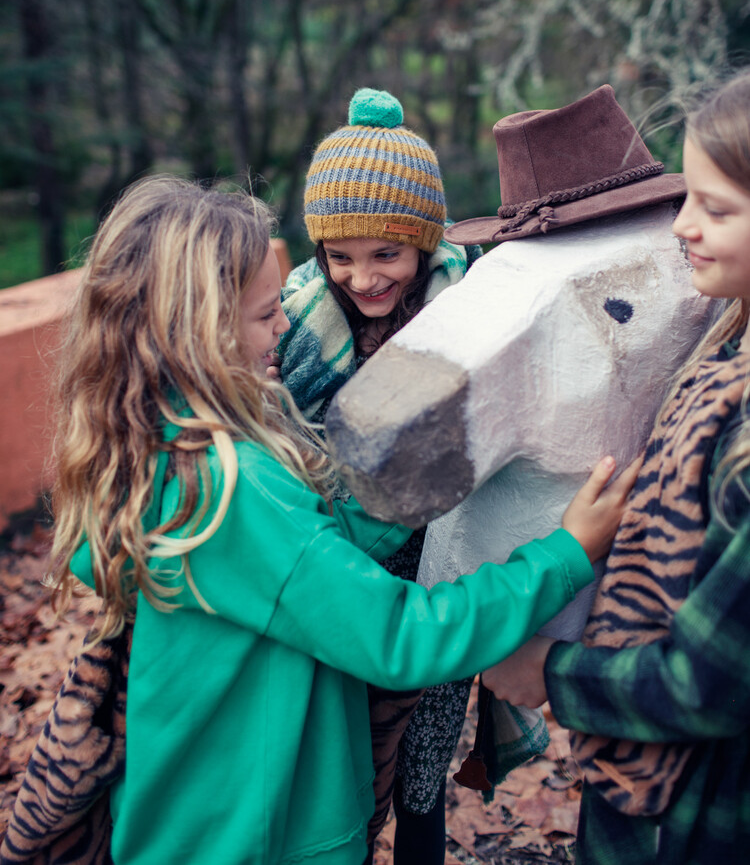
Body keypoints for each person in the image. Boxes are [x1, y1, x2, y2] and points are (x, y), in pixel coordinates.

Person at [38, 173, 634, 865]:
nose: (286, 325)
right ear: (198, 328)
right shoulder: (230, 489)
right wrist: (565, 551)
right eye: (267, 314)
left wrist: (421, 487)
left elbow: (305, 551)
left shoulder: (155, 448)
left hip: (186, 815)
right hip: (265, 836)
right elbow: (401, 635)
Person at [481, 71, 750, 865]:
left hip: (700, 814)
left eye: (717, 208)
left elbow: (710, 681)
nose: (683, 229)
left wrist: (549, 673)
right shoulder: (721, 342)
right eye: (685, 201)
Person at [276, 86, 486, 862]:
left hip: (436, 568)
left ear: (425, 243)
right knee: (346, 762)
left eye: (387, 254)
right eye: (342, 256)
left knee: (423, 767)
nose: (362, 278)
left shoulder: (466, 319)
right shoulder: (296, 326)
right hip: (338, 576)